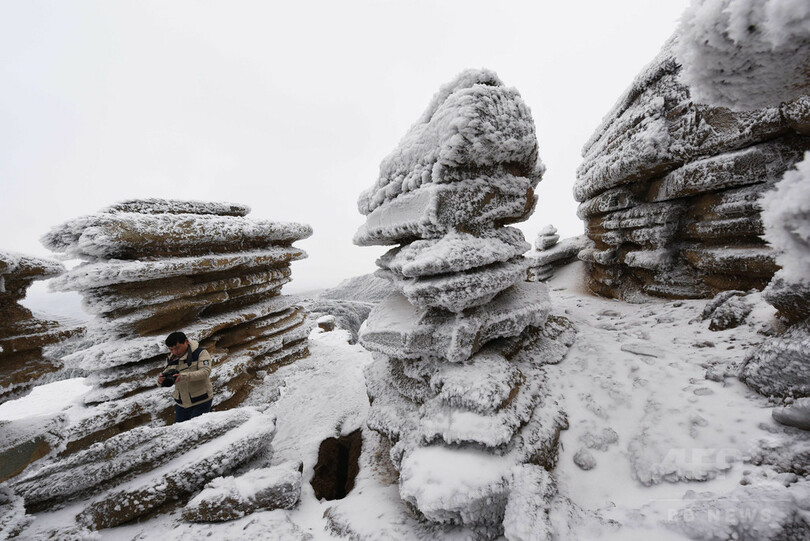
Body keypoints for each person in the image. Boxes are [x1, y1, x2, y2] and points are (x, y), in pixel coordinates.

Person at [158, 331, 214, 423]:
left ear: (186, 342)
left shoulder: (200, 353)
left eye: (177, 348)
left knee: (195, 429)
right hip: (182, 404)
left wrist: (183, 376)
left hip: (201, 401)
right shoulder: (171, 359)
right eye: (171, 349)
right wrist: (160, 381)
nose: (175, 352)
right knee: (180, 432)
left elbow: (205, 372)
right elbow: (165, 377)